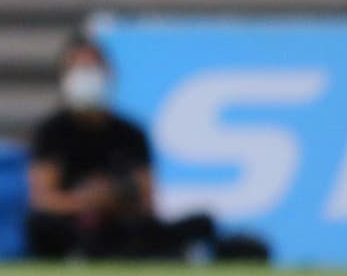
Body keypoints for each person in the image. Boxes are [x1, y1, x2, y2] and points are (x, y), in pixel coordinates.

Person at [25, 34, 219, 260]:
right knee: (41, 224)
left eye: (93, 68)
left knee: (200, 222)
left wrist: (114, 198)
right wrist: (85, 201)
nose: (87, 76)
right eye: (79, 69)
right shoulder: (51, 132)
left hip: (121, 223)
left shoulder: (131, 133)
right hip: (76, 224)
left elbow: (147, 201)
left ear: (109, 74)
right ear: (64, 76)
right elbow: (43, 199)